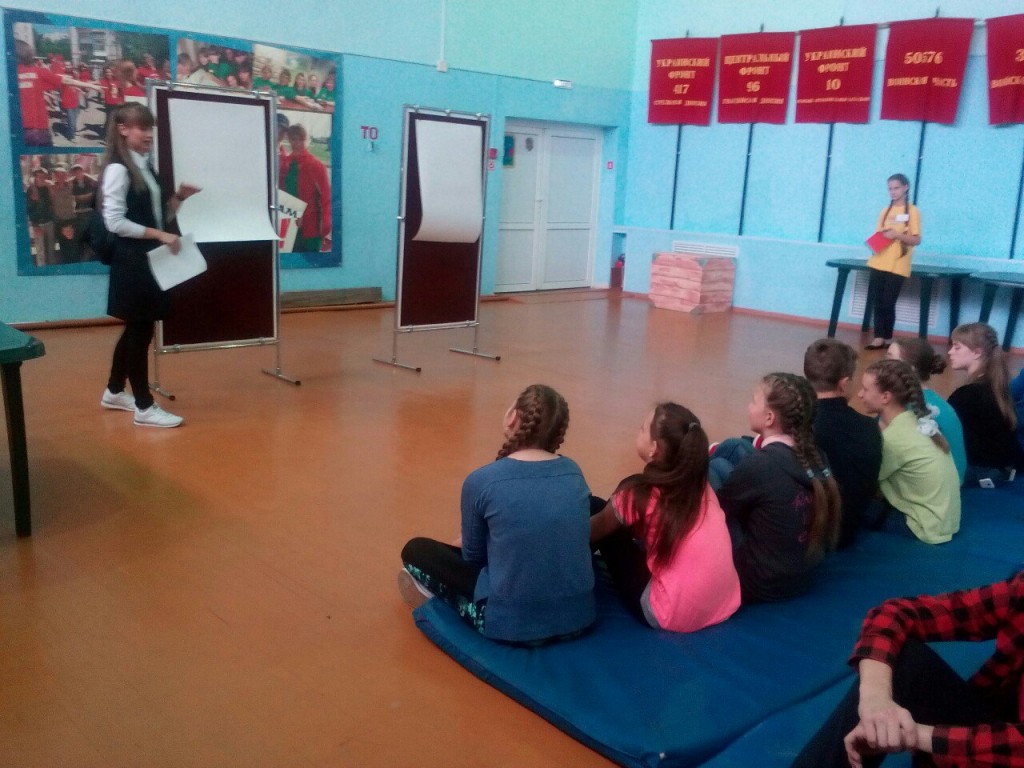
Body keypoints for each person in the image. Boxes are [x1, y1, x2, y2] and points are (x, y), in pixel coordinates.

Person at [399, 384, 596, 645]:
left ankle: (438, 595)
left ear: (513, 417)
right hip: (581, 618)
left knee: (416, 549)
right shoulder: (573, 471)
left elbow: (474, 558)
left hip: (510, 625)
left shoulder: (482, 480)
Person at [791, 572, 1024, 768]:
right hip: (994, 731)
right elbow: (895, 614)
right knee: (907, 659)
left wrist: (912, 735)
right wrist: (875, 700)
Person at [589, 403, 740, 633]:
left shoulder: (637, 495)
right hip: (724, 602)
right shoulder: (701, 485)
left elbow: (591, 533)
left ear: (654, 449)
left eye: (643, 428)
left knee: (596, 507)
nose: (639, 430)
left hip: (668, 614)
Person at [98, 104, 200, 428]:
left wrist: (179, 198)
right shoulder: (118, 169)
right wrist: (159, 235)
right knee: (140, 333)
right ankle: (144, 407)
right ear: (122, 129)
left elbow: (158, 218)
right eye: (141, 128)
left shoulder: (145, 167)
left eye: (150, 129)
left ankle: (114, 391)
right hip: (132, 262)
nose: (148, 135)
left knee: (137, 328)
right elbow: (114, 222)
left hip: (148, 260)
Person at [713, 372, 842, 603]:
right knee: (731, 453)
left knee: (713, 471)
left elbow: (718, 511)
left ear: (770, 417)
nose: (749, 406)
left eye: (754, 401)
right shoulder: (817, 456)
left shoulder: (761, 465)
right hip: (802, 575)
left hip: (762, 582)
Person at [857, 359, 960, 544]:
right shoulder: (919, 422)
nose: (859, 394)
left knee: (848, 503)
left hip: (923, 526)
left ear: (885, 397)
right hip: (945, 520)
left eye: (865, 389)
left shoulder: (894, 439)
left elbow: (867, 481)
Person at [803, 339, 883, 548]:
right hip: (848, 530)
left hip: (809, 533)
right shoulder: (869, 427)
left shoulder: (800, 425)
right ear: (844, 383)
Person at [948, 323, 1021, 487]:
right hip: (1003, 469)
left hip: (983, 473)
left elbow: (943, 434)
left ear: (977, 352)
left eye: (957, 347)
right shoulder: (998, 387)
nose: (950, 352)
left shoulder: (968, 394)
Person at [887, 338, 967, 485]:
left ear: (910, 368)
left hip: (934, 487)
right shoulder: (934, 401)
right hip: (950, 484)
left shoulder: (909, 406)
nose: (883, 364)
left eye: (890, 358)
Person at [865, 173, 921, 350]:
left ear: (905, 188)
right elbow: (879, 234)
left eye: (896, 188)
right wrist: (881, 237)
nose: (893, 192)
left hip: (898, 264)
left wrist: (897, 235)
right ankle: (878, 337)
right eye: (890, 189)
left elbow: (916, 239)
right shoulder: (885, 211)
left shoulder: (912, 211)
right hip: (879, 261)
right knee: (877, 301)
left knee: (888, 302)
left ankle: (888, 337)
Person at [15, 40, 101, 146]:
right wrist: (92, 86)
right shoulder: (38, 71)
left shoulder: (7, 76)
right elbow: (66, 81)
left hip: (16, 128)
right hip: (38, 127)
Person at [280, 124, 331, 253]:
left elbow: (326, 198)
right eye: (293, 139)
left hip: (311, 228)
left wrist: (325, 227)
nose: (297, 143)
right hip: (289, 226)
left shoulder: (316, 165)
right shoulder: (285, 164)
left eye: (301, 139)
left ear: (307, 140)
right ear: (289, 140)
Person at [25, 167, 55, 266]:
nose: (41, 178)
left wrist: (49, 187)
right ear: (35, 177)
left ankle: (52, 270)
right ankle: (42, 271)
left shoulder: (48, 187)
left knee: (51, 250)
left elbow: (53, 201)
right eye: (39, 176)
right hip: (38, 224)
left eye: (43, 176)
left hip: (50, 222)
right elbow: (29, 209)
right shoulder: (31, 190)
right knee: (40, 252)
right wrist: (35, 225)